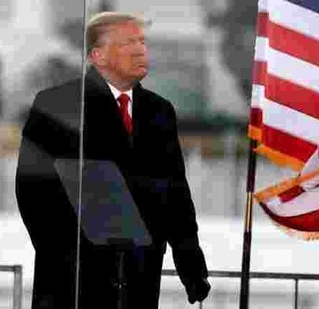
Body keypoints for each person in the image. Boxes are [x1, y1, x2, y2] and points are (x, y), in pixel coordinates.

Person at [15, 12, 210, 308]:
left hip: (137, 277)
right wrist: (64, 252)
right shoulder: (57, 104)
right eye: (127, 42)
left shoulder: (160, 112)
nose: (140, 50)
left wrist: (191, 264)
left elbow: (176, 193)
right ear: (98, 55)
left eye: (142, 42)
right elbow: (32, 188)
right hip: (73, 280)